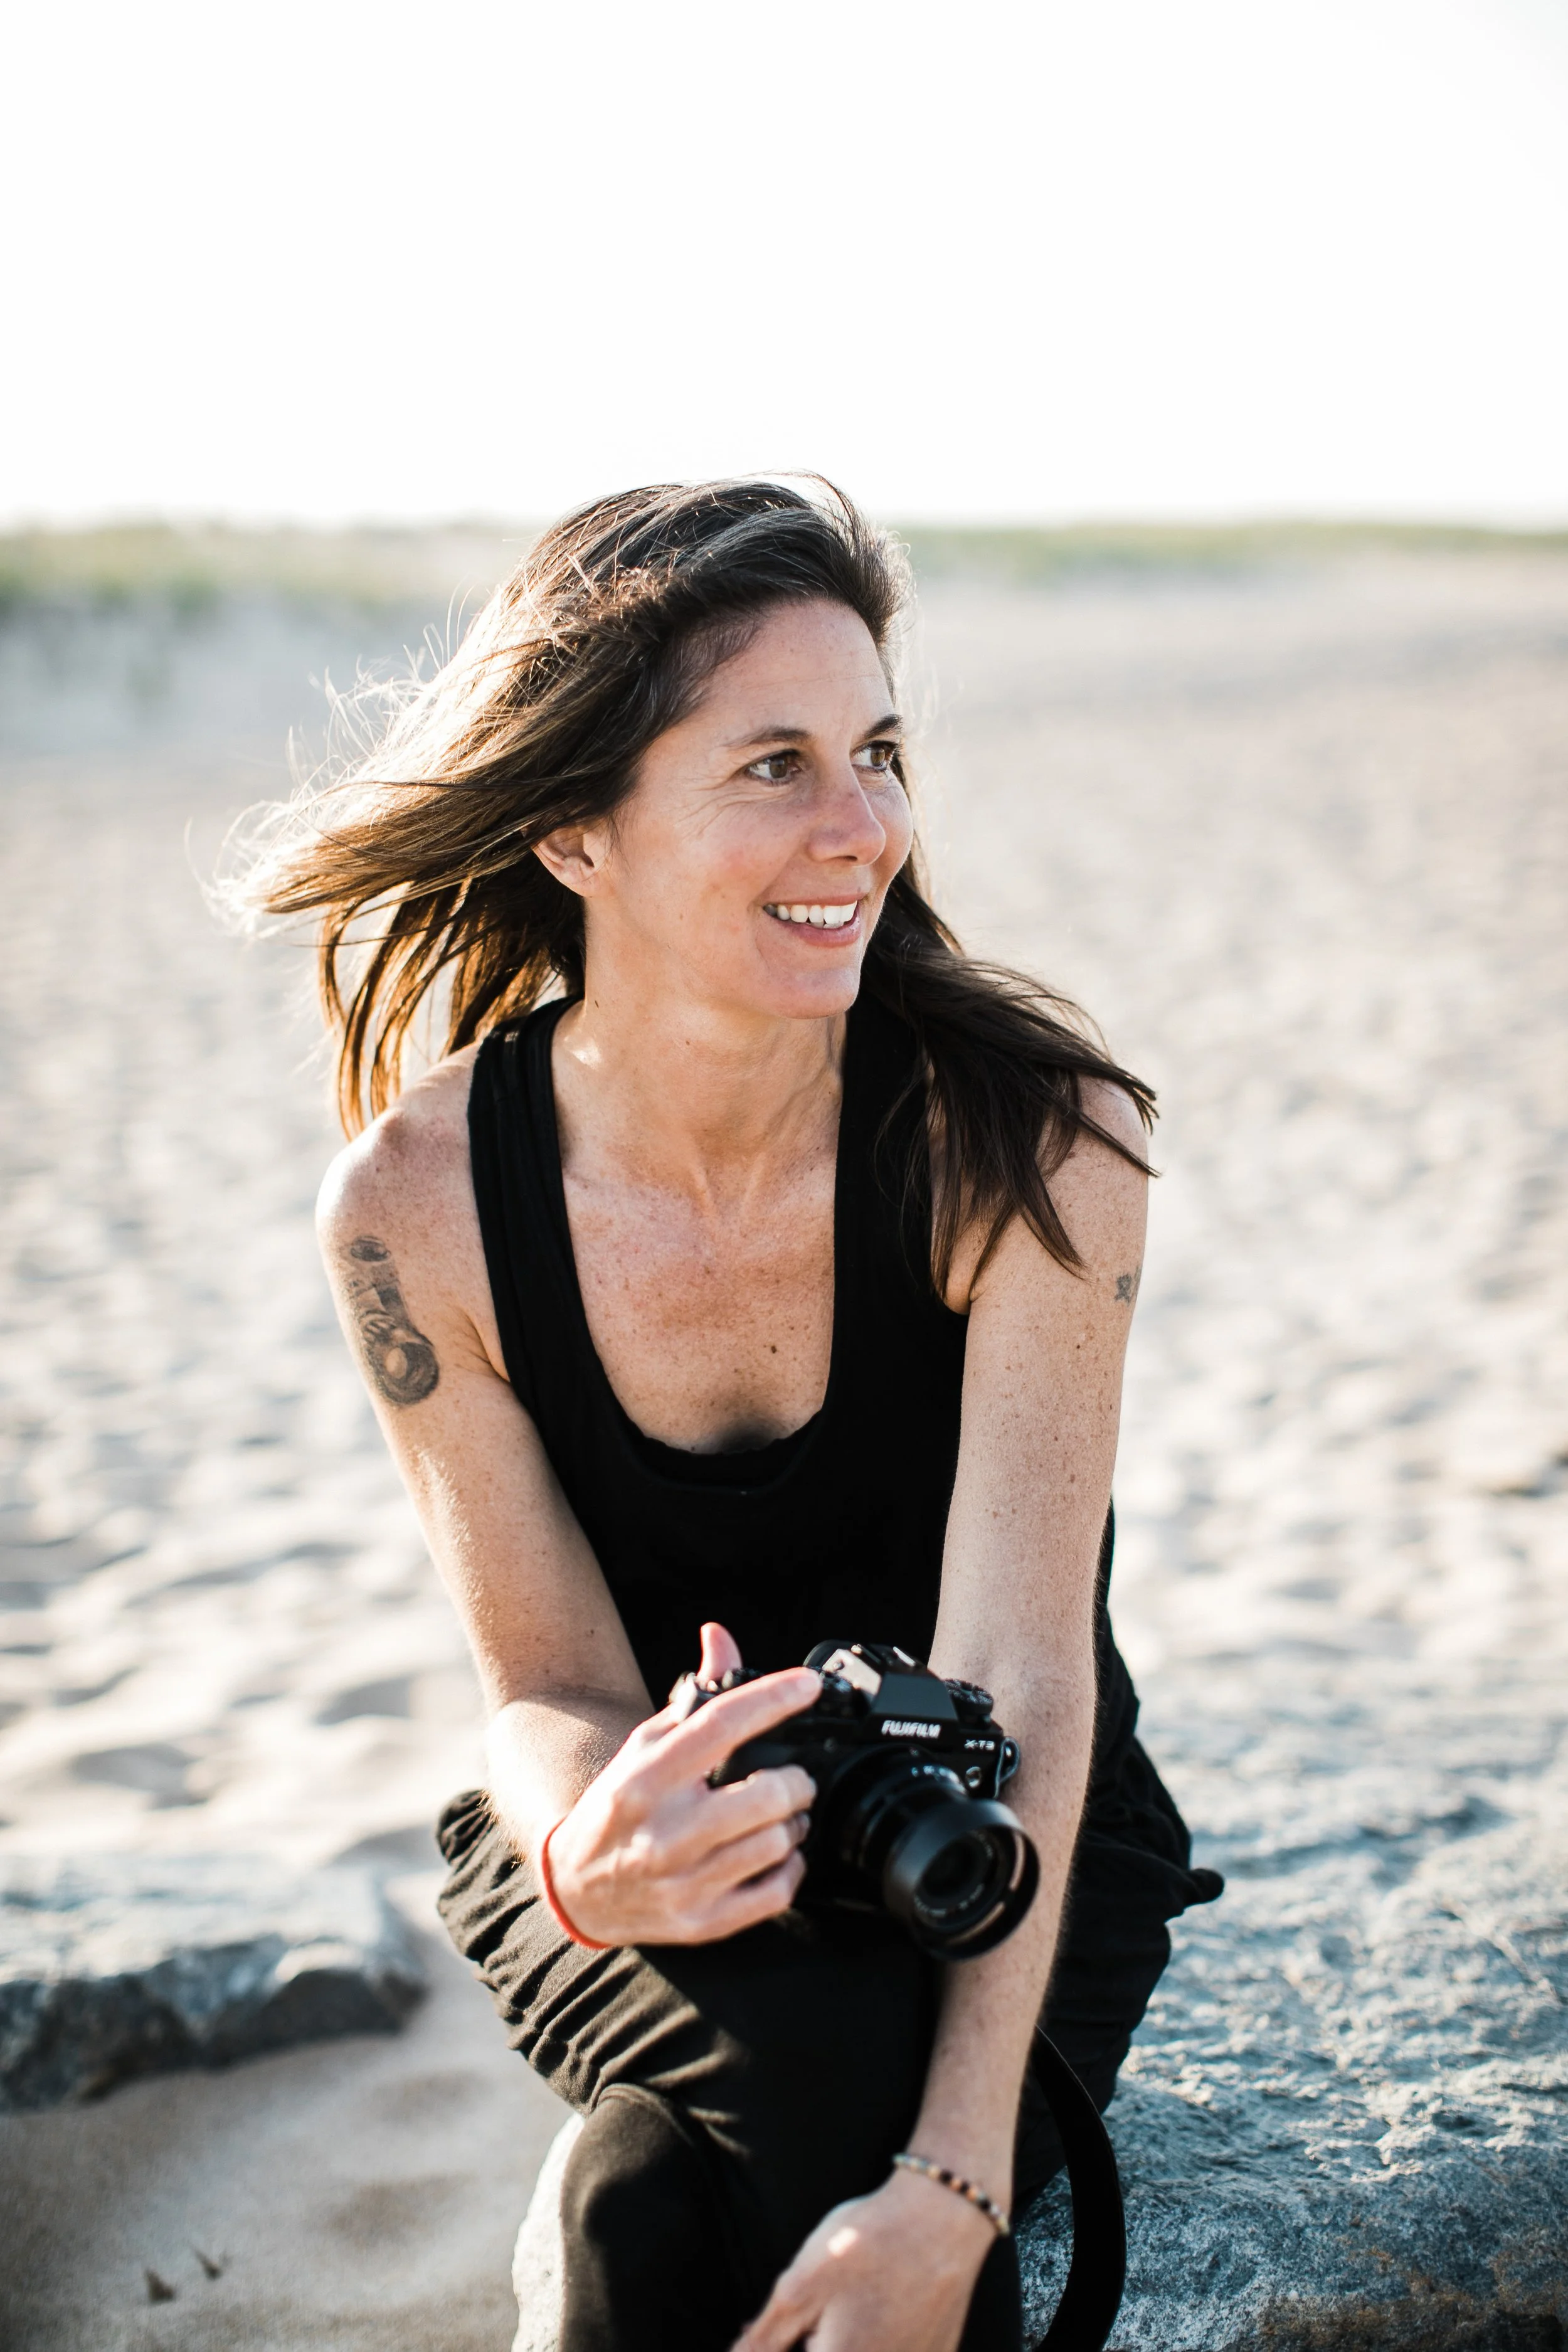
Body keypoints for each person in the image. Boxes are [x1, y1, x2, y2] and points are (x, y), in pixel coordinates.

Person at [243, 480, 1219, 2352]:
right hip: (635, 1836)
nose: (859, 828)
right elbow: (542, 1678)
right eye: (769, 763)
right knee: (789, 2057)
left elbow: (1026, 1670)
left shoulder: (1034, 1144)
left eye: (876, 749)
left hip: (1001, 1833)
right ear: (569, 826)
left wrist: (949, 2188)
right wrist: (581, 1854)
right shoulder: (412, 1209)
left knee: (653, 2185)